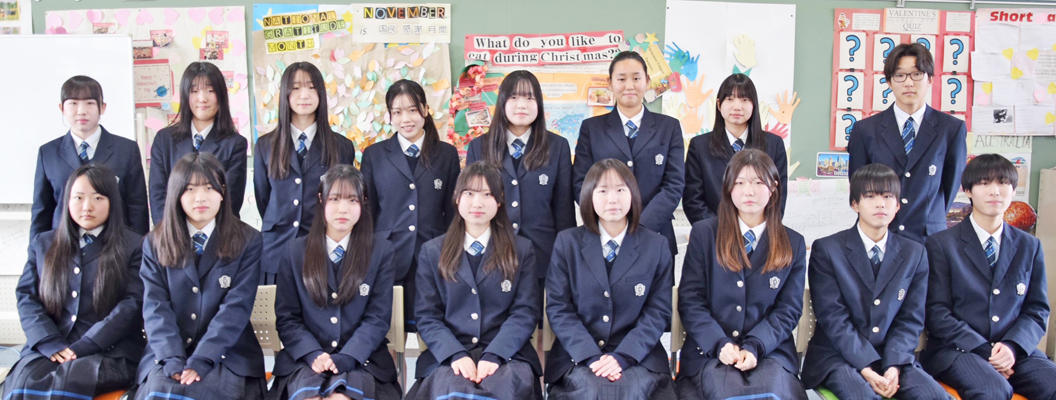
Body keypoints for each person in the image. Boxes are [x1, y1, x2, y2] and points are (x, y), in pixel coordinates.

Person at [802, 163, 946, 399]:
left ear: (897, 205)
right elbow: (833, 318)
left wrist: (894, 366)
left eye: (888, 197)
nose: (880, 203)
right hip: (839, 356)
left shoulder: (915, 253)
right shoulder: (827, 250)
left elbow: (910, 318)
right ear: (855, 204)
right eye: (870, 196)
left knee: (934, 396)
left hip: (892, 355)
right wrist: (865, 366)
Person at [923, 154, 1056, 400]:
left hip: (1014, 350)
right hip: (958, 350)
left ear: (1013, 190)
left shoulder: (1029, 245)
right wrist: (986, 351)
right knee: (993, 390)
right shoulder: (941, 244)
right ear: (968, 190)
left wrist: (1012, 347)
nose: (995, 191)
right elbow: (936, 312)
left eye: (1003, 183)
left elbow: (1037, 310)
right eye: (984, 183)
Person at [676, 149, 807, 400]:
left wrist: (757, 345)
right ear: (728, 187)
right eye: (740, 183)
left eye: (758, 182)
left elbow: (788, 310)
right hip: (712, 352)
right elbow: (691, 301)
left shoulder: (793, 243)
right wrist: (719, 343)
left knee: (771, 391)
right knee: (722, 390)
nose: (749, 191)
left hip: (770, 352)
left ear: (773, 187)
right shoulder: (704, 234)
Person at [407, 162, 542, 400]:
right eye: (469, 193)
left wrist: (496, 353)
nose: (477, 203)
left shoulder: (521, 250)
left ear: (499, 200)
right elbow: (427, 316)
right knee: (452, 389)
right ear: (457, 198)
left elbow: (525, 312)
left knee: (506, 387)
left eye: (487, 194)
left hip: (508, 355)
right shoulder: (432, 251)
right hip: (450, 356)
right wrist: (455, 354)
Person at [7, 164, 144, 399]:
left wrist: (86, 345)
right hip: (49, 348)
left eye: (98, 198)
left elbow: (132, 304)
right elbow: (27, 297)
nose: (87, 207)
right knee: (23, 383)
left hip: (109, 352)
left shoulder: (135, 245)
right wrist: (49, 341)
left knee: (67, 384)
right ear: (67, 201)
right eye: (78, 197)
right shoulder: (44, 243)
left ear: (112, 201)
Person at [136, 153, 264, 399]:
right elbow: (155, 307)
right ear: (176, 194)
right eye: (190, 189)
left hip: (227, 353)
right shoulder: (155, 242)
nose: (200, 197)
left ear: (222, 191)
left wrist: (204, 357)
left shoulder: (248, 240)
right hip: (167, 353)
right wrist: (172, 357)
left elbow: (236, 308)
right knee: (162, 392)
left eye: (209, 187)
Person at [268, 165, 400, 400]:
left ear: (363, 202)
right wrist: (312, 353)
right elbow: (288, 318)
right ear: (321, 200)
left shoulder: (381, 251)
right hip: (306, 359)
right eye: (334, 199)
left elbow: (377, 318)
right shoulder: (295, 251)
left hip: (362, 359)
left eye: (352, 200)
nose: (343, 209)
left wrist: (349, 356)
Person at [546, 159, 675, 400]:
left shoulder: (656, 245)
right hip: (579, 357)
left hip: (639, 356)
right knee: (592, 390)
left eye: (620, 190)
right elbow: (559, 308)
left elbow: (658, 311)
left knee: (633, 390)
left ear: (633, 194)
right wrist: (591, 356)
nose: (612, 199)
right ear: (589, 196)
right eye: (603, 191)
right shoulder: (567, 243)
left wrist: (623, 356)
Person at [361, 79, 461, 332]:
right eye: (397, 112)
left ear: (425, 110)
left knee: (432, 328)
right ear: (390, 117)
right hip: (388, 256)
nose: (406, 119)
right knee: (389, 331)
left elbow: (453, 212)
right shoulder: (374, 155)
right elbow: (367, 211)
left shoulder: (446, 154)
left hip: (434, 254)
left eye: (412, 110)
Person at [848, 43, 967, 243]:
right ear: (889, 82)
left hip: (930, 241)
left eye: (917, 74)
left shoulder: (951, 129)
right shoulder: (865, 130)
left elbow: (950, 186)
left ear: (930, 79)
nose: (908, 83)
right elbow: (858, 187)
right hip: (879, 237)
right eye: (900, 75)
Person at [466, 69, 575, 284]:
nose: (522, 105)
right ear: (502, 102)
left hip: (542, 258)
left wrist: (566, 261)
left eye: (530, 98)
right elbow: (470, 209)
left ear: (539, 104)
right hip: (491, 257)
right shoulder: (479, 147)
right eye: (514, 97)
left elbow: (564, 211)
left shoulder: (558, 147)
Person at [573, 51, 684, 258]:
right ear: (610, 83)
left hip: (656, 235)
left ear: (648, 81)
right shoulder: (592, 128)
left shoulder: (669, 128)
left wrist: (640, 226)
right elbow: (581, 182)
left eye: (636, 78)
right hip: (604, 236)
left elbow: (674, 185)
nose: (629, 86)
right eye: (622, 79)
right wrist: (610, 222)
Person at [254, 62, 357, 284]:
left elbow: (346, 199)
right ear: (285, 94)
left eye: (311, 87)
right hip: (276, 251)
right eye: (296, 88)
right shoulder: (265, 145)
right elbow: (263, 198)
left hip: (322, 249)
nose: (304, 95)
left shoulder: (341, 147)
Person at [32, 75, 148, 238]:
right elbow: (42, 210)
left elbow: (137, 207)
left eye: (90, 103)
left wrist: (139, 248)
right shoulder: (48, 153)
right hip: (63, 245)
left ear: (102, 107)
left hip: (115, 244)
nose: (81, 111)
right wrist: (35, 252)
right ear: (62, 108)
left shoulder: (126, 150)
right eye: (73, 103)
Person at [150, 62, 248, 224]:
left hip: (219, 234)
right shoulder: (164, 139)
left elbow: (232, 200)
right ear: (185, 95)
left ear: (221, 95)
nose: (202, 98)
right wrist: (170, 233)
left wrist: (203, 233)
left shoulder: (235, 144)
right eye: (194, 91)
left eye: (210, 90)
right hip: (173, 233)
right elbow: (158, 195)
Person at [683, 74, 788, 224]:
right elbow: (693, 201)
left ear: (754, 105)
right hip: (714, 233)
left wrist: (754, 230)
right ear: (719, 104)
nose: (737, 106)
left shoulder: (774, 145)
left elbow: (778, 198)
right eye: (730, 99)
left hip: (760, 233)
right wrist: (722, 231)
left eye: (744, 99)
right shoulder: (699, 146)